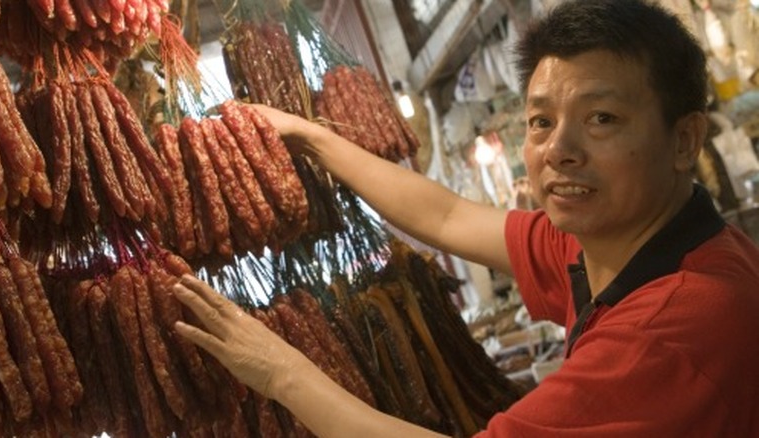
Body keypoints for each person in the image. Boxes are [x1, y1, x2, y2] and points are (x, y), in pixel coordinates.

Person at [172, 0, 759, 436]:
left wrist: (279, 373)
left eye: (601, 118)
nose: (558, 149)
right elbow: (448, 216)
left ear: (685, 140)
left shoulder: (675, 330)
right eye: (540, 121)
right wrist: (309, 138)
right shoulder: (619, 244)